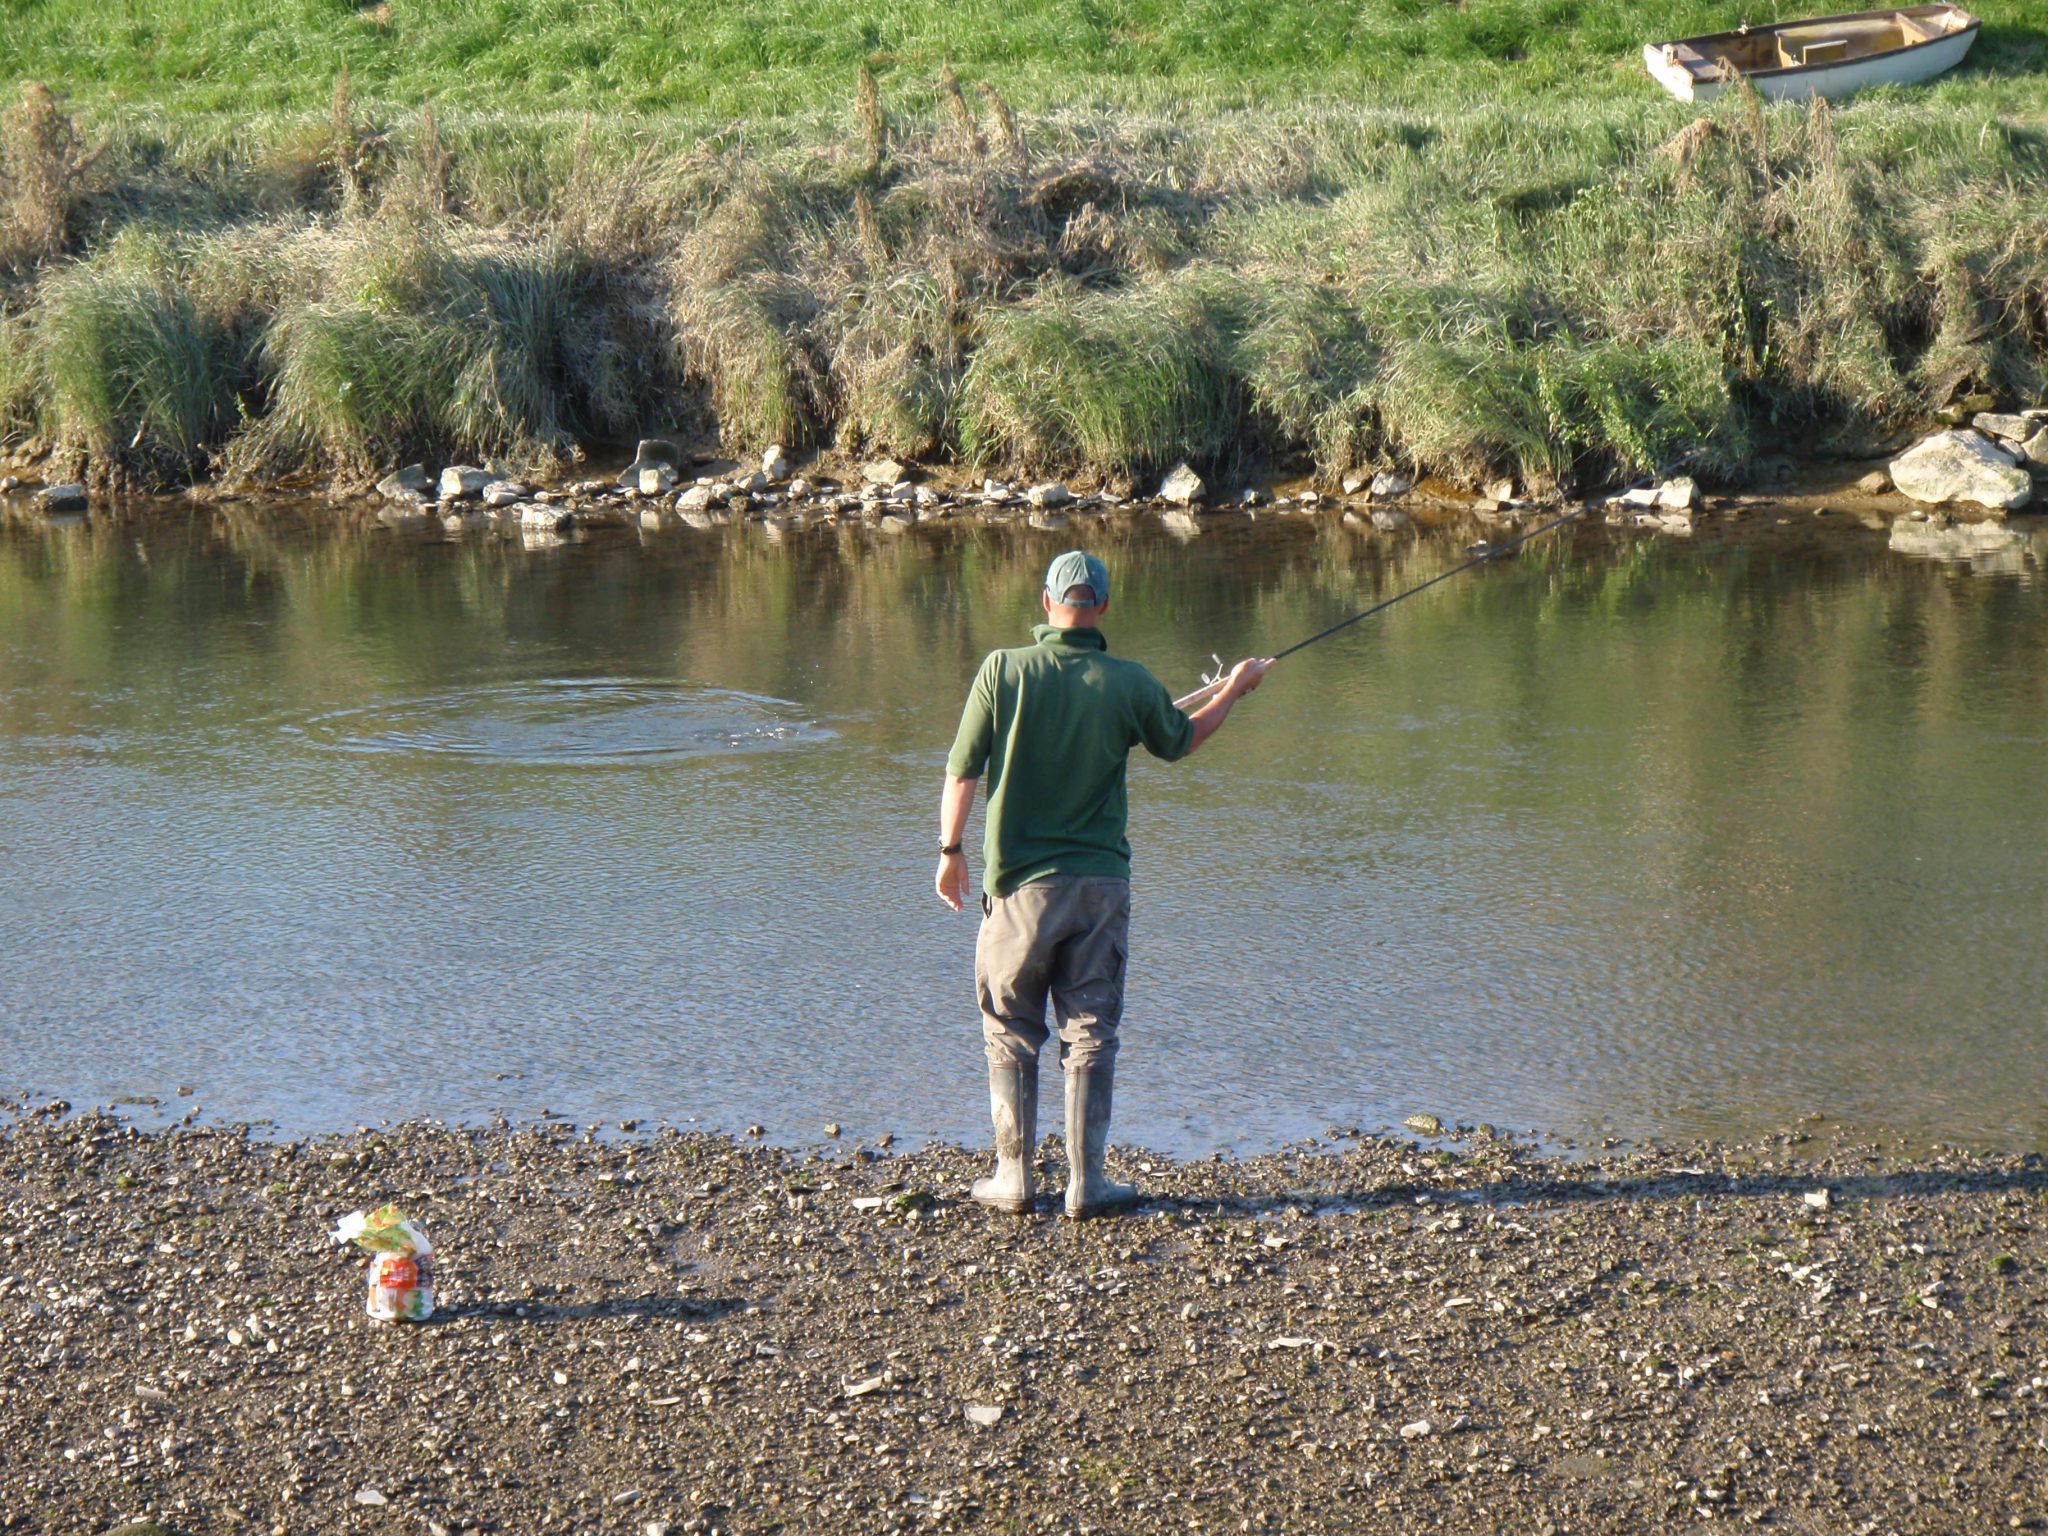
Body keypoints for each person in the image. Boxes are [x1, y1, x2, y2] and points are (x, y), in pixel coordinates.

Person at [936, 549, 1271, 1217]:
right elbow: (1181, 739)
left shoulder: (1002, 670)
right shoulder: (1128, 681)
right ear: (1104, 608)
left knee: (1010, 1025)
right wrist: (1235, 689)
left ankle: (1013, 1178)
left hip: (1018, 889)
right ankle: (1086, 1184)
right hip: (1098, 887)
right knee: (1089, 1028)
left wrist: (949, 851)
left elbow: (962, 769)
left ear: (1046, 603)